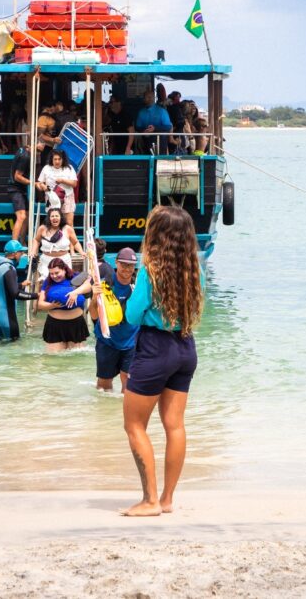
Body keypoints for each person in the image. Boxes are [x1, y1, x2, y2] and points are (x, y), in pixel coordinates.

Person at [121, 206, 205, 516]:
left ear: (157, 234)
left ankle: (150, 501)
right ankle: (167, 499)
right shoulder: (195, 269)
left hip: (155, 349)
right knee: (175, 426)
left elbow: (132, 316)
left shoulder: (149, 270)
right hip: (185, 346)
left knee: (134, 425)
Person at [87, 247, 139, 393]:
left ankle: (121, 414)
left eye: (131, 265)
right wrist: (94, 298)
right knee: (104, 385)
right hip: (107, 340)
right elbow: (94, 315)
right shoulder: (106, 284)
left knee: (128, 383)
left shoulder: (138, 286)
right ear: (116, 263)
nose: (127, 269)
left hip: (131, 342)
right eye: (123, 264)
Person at [0, 240, 38, 342]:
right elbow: (15, 294)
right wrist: (36, 295)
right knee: (14, 345)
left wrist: (21, 284)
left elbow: (4, 286)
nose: (21, 255)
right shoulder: (9, 269)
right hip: (6, 316)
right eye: (21, 253)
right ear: (14, 254)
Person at [37, 257, 89, 352]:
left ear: (64, 270)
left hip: (76, 324)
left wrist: (75, 292)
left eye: (57, 273)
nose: (54, 276)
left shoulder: (76, 277)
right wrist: (52, 306)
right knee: (54, 360)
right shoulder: (47, 282)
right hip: (55, 325)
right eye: (51, 273)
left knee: (77, 360)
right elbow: (40, 304)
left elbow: (88, 286)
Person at [29, 207, 83, 282]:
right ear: (49, 218)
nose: (55, 218)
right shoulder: (42, 228)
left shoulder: (67, 229)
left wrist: (82, 252)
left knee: (65, 282)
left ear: (61, 217)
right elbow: (36, 240)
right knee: (46, 282)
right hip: (46, 261)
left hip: (64, 260)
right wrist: (33, 251)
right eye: (52, 216)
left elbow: (75, 242)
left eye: (57, 216)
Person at [8, 137, 44, 242]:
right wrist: (34, 183)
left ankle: (22, 243)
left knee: (27, 215)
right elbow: (17, 176)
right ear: (35, 144)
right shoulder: (26, 157)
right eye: (42, 143)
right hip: (15, 189)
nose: (44, 145)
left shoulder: (23, 149)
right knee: (21, 216)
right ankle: (13, 247)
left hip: (20, 189)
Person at [37, 149, 78, 229]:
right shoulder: (46, 168)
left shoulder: (69, 168)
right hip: (51, 198)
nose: (57, 161)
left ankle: (69, 241)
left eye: (59, 159)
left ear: (63, 160)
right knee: (53, 223)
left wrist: (62, 180)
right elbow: (39, 183)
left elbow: (74, 183)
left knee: (69, 223)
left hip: (67, 197)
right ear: (51, 160)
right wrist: (42, 186)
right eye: (55, 159)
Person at [134, 88, 172, 156]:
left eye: (151, 97)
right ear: (144, 99)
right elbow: (137, 127)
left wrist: (155, 128)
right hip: (146, 140)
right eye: (147, 97)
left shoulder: (161, 111)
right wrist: (144, 130)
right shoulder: (141, 112)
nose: (150, 99)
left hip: (160, 140)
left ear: (154, 98)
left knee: (159, 161)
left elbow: (168, 127)